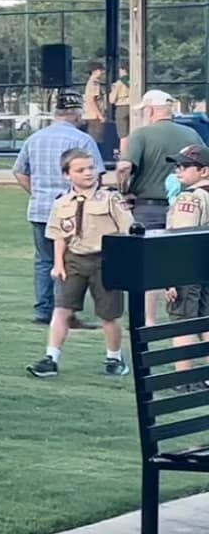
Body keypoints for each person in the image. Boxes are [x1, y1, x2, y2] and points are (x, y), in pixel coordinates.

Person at [27, 148, 132, 379]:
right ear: (67, 175)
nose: (88, 173)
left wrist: (124, 261)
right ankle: (51, 358)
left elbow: (127, 229)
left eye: (91, 168)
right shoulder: (62, 202)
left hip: (106, 259)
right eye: (80, 170)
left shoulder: (110, 198)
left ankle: (114, 357)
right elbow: (59, 236)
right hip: (74, 259)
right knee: (62, 309)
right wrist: (58, 264)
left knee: (108, 314)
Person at [13, 93, 102, 326]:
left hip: (40, 208)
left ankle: (44, 310)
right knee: (70, 261)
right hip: (73, 211)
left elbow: (19, 171)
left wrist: (36, 193)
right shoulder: (82, 140)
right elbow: (95, 176)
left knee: (44, 261)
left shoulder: (35, 138)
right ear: (77, 114)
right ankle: (65, 312)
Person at [117, 89, 204, 233]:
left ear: (150, 110)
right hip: (185, 205)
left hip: (148, 208)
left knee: (147, 246)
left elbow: (124, 168)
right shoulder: (192, 134)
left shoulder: (141, 134)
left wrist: (123, 192)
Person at [162, 144, 209, 384]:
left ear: (204, 171)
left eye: (185, 166)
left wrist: (171, 277)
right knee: (205, 321)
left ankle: (183, 378)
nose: (178, 170)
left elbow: (180, 239)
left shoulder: (189, 197)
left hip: (188, 269)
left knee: (182, 323)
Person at [84, 64, 112, 157]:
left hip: (93, 115)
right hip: (94, 116)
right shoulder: (94, 83)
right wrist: (100, 115)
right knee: (96, 140)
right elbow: (92, 101)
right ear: (95, 71)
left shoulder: (94, 82)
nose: (103, 73)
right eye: (101, 70)